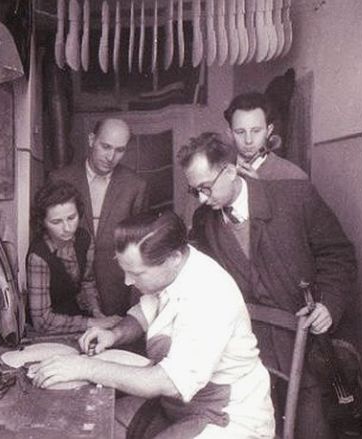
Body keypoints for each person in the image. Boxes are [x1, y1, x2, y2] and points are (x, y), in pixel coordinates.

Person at [29, 211, 275, 439]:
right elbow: (144, 313)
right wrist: (114, 335)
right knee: (92, 426)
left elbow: (168, 382)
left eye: (137, 274)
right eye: (126, 271)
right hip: (178, 404)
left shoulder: (208, 294)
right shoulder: (172, 270)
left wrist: (85, 367)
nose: (128, 281)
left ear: (174, 258)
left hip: (227, 415)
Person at [179, 133, 357, 439]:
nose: (202, 199)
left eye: (206, 188)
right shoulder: (204, 220)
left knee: (310, 430)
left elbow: (338, 255)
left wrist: (328, 304)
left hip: (304, 346)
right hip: (247, 352)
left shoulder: (295, 197)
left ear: (230, 171)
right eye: (194, 191)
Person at [49, 118, 149, 316]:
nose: (111, 157)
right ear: (91, 140)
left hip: (115, 289)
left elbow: (140, 246)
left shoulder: (136, 186)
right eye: (106, 147)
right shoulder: (59, 179)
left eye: (120, 150)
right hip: (68, 285)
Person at [26, 180, 122, 334]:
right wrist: (92, 322)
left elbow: (87, 282)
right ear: (42, 222)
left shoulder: (85, 239)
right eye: (56, 222)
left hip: (77, 318)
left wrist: (97, 313)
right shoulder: (38, 256)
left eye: (71, 218)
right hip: (48, 329)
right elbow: (42, 322)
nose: (67, 228)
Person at [224, 91, 308, 180]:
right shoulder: (218, 172)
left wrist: (260, 186)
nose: (248, 140)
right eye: (240, 132)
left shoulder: (294, 176)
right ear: (230, 134)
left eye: (256, 131)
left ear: (269, 131)